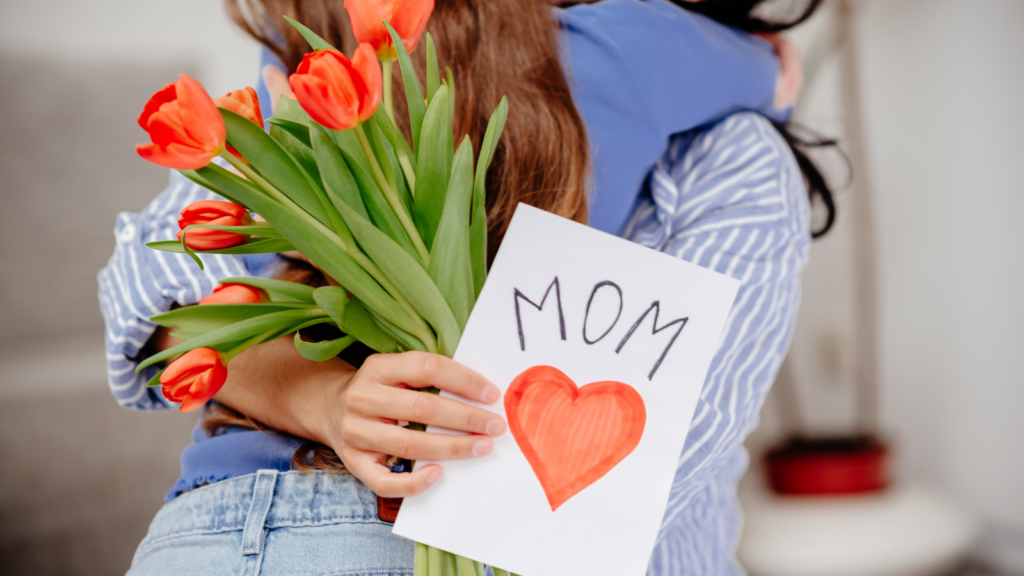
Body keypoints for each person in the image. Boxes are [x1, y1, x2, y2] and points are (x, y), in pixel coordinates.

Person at [100, 0, 834, 574]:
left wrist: (320, 396)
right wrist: (763, 68)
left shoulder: (310, 64)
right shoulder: (635, 58)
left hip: (202, 525)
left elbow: (155, 291)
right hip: (411, 536)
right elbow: (617, 501)